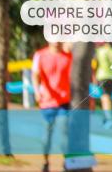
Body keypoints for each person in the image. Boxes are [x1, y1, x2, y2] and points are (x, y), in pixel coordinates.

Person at [32, 41, 72, 172]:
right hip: (47, 103)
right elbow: (35, 75)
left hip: (64, 103)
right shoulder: (40, 55)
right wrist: (37, 92)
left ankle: (66, 163)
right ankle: (45, 161)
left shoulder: (69, 56)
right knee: (46, 138)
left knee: (64, 134)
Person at [93, 41, 112, 129]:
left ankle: (108, 118)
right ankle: (107, 117)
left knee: (105, 97)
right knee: (109, 97)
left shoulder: (99, 51)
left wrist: (93, 77)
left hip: (103, 76)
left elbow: (94, 65)